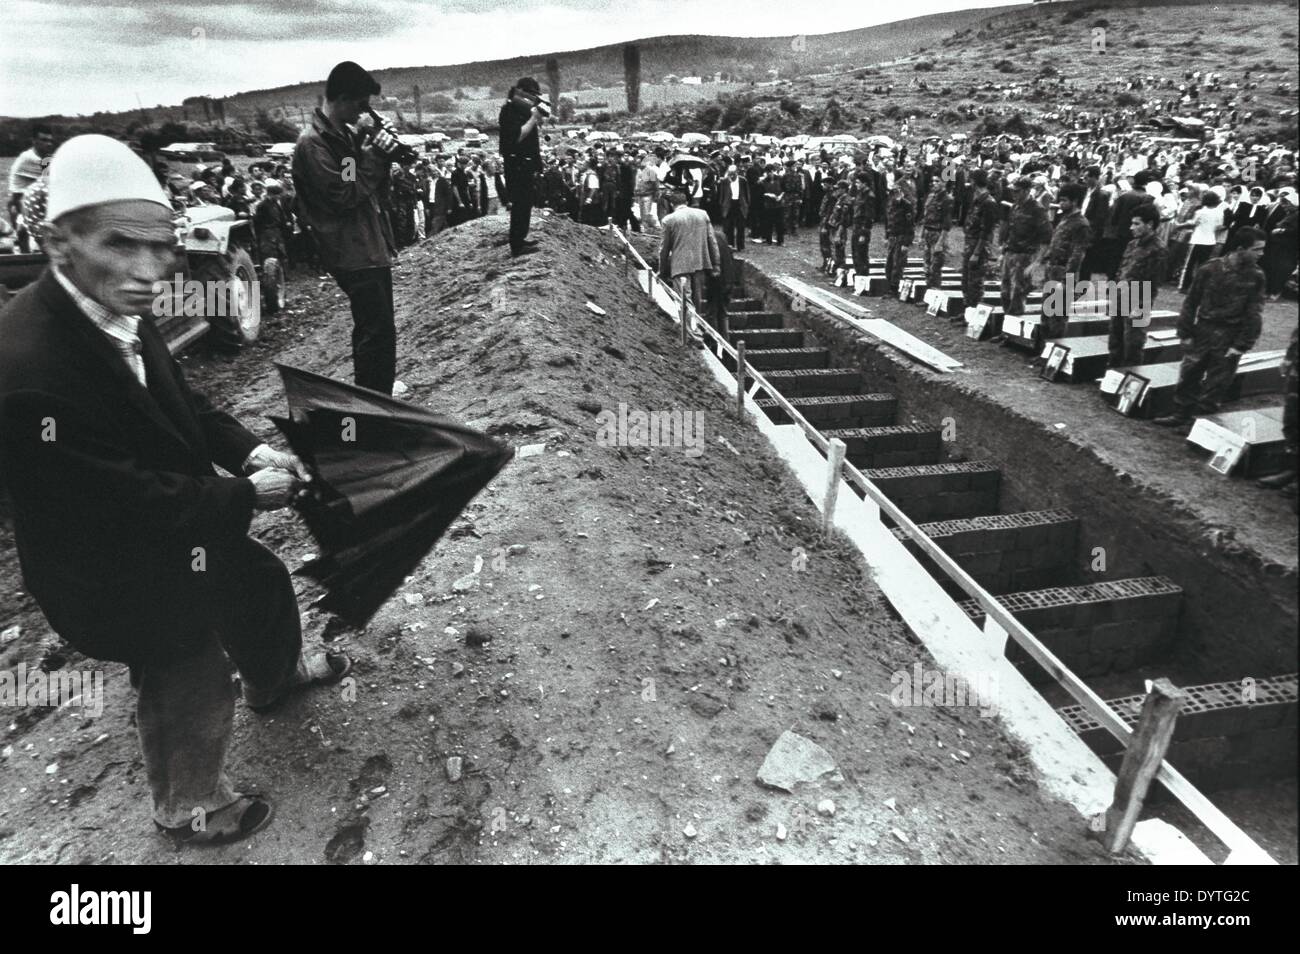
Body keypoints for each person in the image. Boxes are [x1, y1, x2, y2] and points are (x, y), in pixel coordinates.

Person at [0, 134, 350, 845]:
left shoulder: (111, 305)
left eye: (160, 246)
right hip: (104, 568)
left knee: (254, 578)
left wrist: (248, 450)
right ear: (57, 241)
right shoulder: (30, 367)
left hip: (168, 530)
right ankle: (191, 805)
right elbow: (124, 504)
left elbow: (183, 402)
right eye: (121, 245)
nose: (150, 268)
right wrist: (251, 498)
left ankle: (274, 676)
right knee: (184, 653)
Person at [293, 60, 401, 397]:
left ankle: (376, 392)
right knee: (376, 331)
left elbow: (355, 181)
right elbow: (343, 195)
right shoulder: (313, 144)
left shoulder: (340, 136)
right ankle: (373, 406)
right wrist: (376, 156)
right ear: (340, 98)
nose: (363, 111)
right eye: (359, 103)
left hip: (366, 244)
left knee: (379, 330)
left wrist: (373, 149)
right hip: (351, 250)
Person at [1153, 228, 1267, 431]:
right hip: (1203, 330)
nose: (1261, 254)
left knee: (1217, 383)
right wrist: (1185, 332)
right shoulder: (1210, 269)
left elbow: (1254, 313)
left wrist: (1242, 345)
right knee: (1189, 373)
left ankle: (1198, 423)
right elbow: (1191, 302)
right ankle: (1180, 414)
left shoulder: (1256, 276)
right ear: (1240, 249)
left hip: (1230, 334)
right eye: (1257, 249)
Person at [1110, 204, 1167, 368]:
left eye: (1136, 224)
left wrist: (1141, 307)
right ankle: (1113, 373)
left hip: (1138, 298)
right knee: (1116, 337)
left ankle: (1130, 377)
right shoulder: (1132, 244)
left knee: (1133, 342)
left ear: (1149, 224)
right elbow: (1122, 268)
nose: (1131, 227)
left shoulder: (1158, 249)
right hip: (1122, 294)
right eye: (1132, 223)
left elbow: (1154, 282)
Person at [658, 191, 721, 323]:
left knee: (684, 301)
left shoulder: (668, 220)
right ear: (686, 202)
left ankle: (691, 334)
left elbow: (664, 249)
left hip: (680, 266)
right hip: (700, 263)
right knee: (696, 301)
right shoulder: (702, 214)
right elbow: (712, 241)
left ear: (671, 204)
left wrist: (662, 270)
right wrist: (716, 264)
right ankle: (695, 327)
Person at [1000, 175, 1051, 317]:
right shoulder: (1015, 207)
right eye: (1013, 191)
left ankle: (1012, 328)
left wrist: (1036, 262)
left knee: (1018, 292)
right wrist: (1003, 251)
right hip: (1010, 252)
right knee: (1004, 290)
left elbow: (1046, 238)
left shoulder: (1037, 210)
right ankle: (1006, 322)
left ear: (1027, 191)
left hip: (1025, 256)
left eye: (1017, 191)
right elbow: (1011, 230)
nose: (1013, 194)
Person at [6, 124, 56, 253]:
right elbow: (55, 180)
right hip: (21, 207)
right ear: (34, 141)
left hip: (30, 205)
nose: (48, 143)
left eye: (50, 140)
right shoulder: (30, 159)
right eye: (44, 140)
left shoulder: (44, 158)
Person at [962, 169, 999, 308]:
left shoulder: (988, 202)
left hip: (978, 246)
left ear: (973, 182)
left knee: (975, 281)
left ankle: (973, 311)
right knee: (966, 279)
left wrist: (977, 253)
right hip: (970, 243)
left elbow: (986, 231)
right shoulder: (977, 199)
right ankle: (967, 310)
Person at [1179, 190, 1225, 291]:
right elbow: (1219, 226)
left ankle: (1184, 286)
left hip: (1197, 239)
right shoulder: (1219, 213)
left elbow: (1193, 222)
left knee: (1189, 264)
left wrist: (1181, 225)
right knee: (1203, 265)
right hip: (1210, 241)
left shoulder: (1200, 212)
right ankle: (1200, 287)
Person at [884, 179, 917, 295]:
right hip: (892, 236)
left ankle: (894, 287)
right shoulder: (890, 205)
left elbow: (910, 225)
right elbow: (888, 221)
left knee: (897, 264)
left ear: (901, 193)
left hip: (902, 236)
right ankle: (889, 285)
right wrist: (886, 236)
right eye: (893, 193)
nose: (895, 195)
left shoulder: (907, 205)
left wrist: (906, 243)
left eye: (897, 192)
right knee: (889, 263)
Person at [920, 180, 953, 290]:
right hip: (928, 233)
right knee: (927, 264)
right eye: (933, 181)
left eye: (937, 181)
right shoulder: (931, 197)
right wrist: (921, 237)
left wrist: (940, 242)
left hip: (937, 234)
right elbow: (925, 218)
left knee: (936, 266)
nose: (933, 183)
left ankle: (934, 292)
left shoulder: (947, 199)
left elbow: (946, 224)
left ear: (943, 183)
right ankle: (928, 290)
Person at [718, 164, 748, 250]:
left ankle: (740, 246)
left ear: (737, 173)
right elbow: (721, 194)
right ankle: (730, 244)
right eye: (730, 174)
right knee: (728, 226)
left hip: (740, 204)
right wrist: (722, 204)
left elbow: (746, 194)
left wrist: (746, 204)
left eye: (733, 174)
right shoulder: (725, 181)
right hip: (729, 204)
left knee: (740, 226)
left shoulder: (743, 180)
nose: (731, 176)